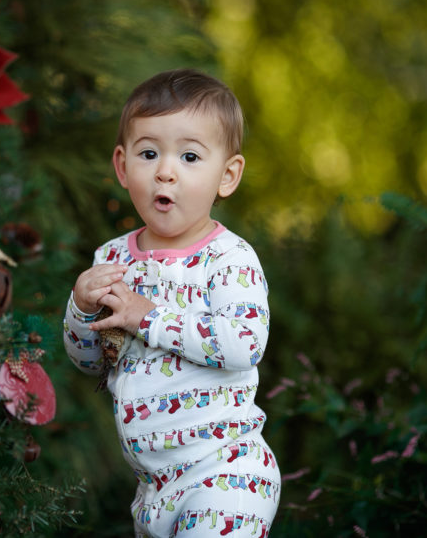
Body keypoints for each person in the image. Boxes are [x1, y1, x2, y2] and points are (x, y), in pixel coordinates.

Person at [63, 69, 280, 537]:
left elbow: (244, 343)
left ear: (227, 175)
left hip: (228, 473)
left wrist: (150, 316)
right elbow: (89, 363)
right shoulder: (113, 259)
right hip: (152, 488)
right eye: (148, 153)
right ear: (123, 167)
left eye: (188, 156)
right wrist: (81, 310)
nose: (166, 169)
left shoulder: (229, 259)